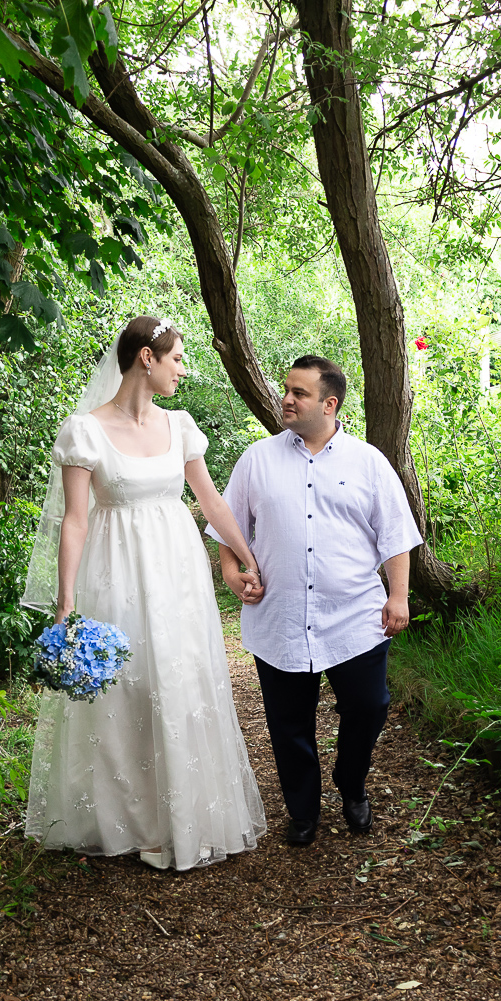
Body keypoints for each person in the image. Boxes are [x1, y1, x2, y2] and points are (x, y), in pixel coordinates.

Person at [21, 316, 266, 871]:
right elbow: (75, 521)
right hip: (115, 572)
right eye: (177, 358)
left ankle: (180, 818)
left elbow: (211, 501)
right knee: (126, 689)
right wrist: (65, 603)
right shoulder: (85, 431)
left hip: (177, 574)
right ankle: (129, 820)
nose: (184, 369)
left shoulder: (180, 426)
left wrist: (246, 554)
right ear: (146, 359)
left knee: (177, 681)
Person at [205, 355, 423, 846]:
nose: (286, 399)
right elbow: (227, 524)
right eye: (286, 389)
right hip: (279, 618)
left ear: (329, 404)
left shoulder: (368, 462)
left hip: (355, 617)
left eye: (298, 393)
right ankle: (302, 811)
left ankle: (351, 782)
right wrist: (231, 571)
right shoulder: (256, 460)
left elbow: (395, 535)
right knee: (289, 724)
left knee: (369, 706)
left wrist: (399, 596)